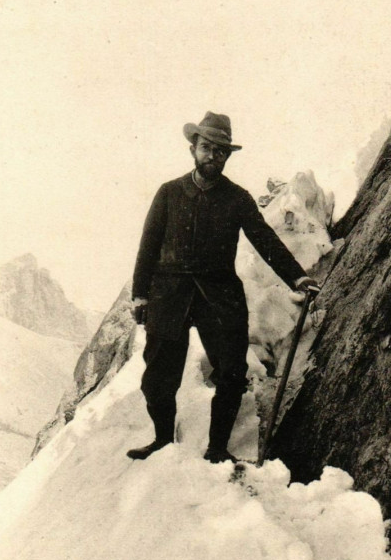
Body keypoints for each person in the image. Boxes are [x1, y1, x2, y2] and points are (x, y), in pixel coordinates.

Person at [128, 112, 318, 463]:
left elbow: (265, 240)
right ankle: (161, 442)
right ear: (193, 150)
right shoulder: (168, 193)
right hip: (169, 295)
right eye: (206, 148)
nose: (212, 156)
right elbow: (148, 247)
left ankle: (217, 448)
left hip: (219, 297)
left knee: (231, 372)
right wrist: (140, 294)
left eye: (220, 152)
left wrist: (298, 277)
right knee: (158, 375)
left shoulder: (237, 199)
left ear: (227, 156)